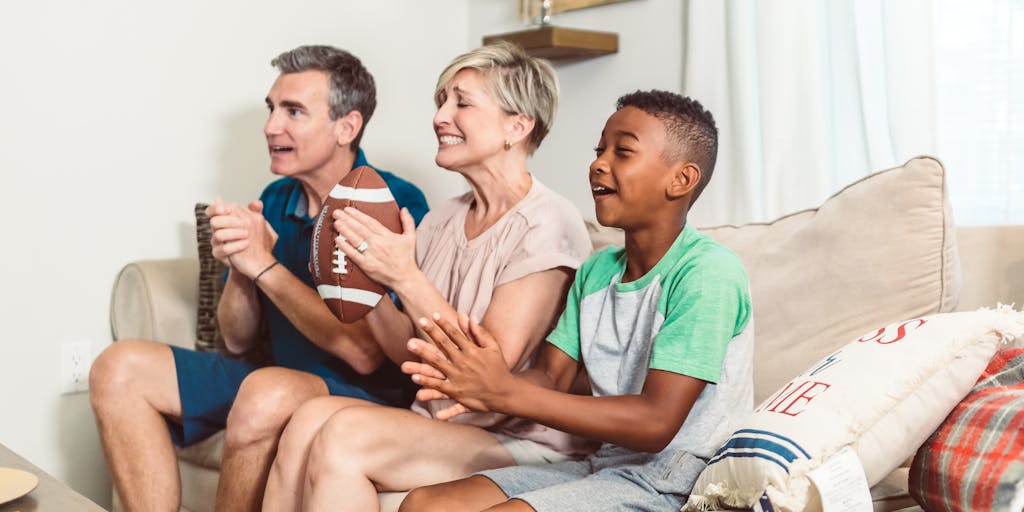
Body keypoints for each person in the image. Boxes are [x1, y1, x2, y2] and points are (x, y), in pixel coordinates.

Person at [88, 45, 430, 512]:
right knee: (119, 367)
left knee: (265, 392)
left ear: (346, 127)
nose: (271, 127)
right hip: (271, 378)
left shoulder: (389, 200)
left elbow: (365, 352)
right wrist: (242, 270)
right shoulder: (275, 196)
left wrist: (265, 268)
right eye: (272, 109)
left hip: (361, 394)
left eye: (293, 111)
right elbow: (236, 337)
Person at [260, 41, 594, 511]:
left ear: (516, 127)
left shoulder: (547, 222)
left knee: (343, 437)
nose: (441, 116)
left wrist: (402, 275)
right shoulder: (441, 219)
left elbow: (487, 372)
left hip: (520, 441)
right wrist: (366, 280)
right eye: (442, 101)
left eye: (462, 102)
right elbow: (406, 353)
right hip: (441, 426)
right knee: (307, 420)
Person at [398, 90, 754, 512]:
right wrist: (488, 379)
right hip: (605, 463)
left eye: (623, 152)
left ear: (681, 180)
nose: (599, 163)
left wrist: (504, 395)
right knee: (425, 504)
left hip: (678, 480)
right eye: (599, 149)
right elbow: (552, 377)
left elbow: (656, 422)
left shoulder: (707, 273)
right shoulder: (597, 271)